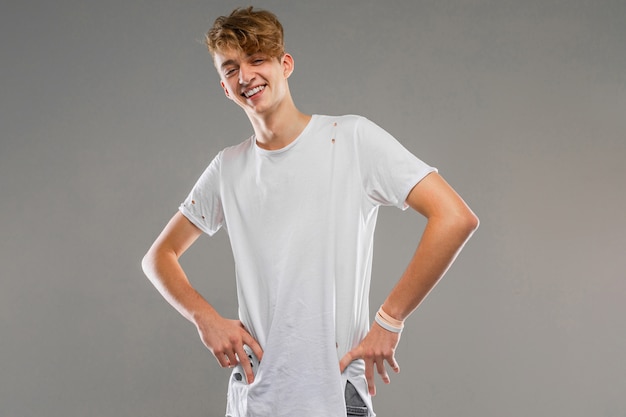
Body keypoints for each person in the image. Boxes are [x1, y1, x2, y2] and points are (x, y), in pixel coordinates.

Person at [141, 6, 478, 417]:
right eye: (230, 69)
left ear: (285, 64)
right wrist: (205, 319)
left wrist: (390, 321)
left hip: (334, 397)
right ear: (224, 88)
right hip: (255, 401)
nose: (245, 76)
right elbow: (158, 257)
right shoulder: (228, 167)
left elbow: (455, 217)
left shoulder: (350, 139)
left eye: (257, 59)